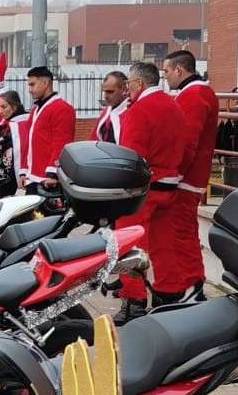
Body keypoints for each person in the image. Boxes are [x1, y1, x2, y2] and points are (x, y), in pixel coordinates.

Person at [116, 61, 188, 310]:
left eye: (128, 84)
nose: (128, 90)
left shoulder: (140, 109)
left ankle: (134, 299)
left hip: (145, 187)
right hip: (170, 183)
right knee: (164, 243)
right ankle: (170, 292)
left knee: (129, 245)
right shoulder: (174, 106)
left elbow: (131, 155)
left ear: (138, 83)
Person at [160, 52, 219, 297]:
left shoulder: (194, 96)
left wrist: (174, 175)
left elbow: (186, 141)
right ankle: (189, 285)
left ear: (179, 71)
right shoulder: (197, 93)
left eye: (166, 72)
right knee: (181, 232)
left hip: (186, 179)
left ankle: (192, 286)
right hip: (188, 178)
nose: (164, 77)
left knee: (182, 233)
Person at [23, 66, 75, 187]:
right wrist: (24, 170)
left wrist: (52, 173)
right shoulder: (35, 109)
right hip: (33, 177)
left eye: (32, 84)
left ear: (45, 83)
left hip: (48, 180)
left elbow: (61, 143)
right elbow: (29, 142)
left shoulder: (62, 108)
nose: (29, 89)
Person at [93, 69, 130, 145]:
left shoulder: (131, 111)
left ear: (123, 89)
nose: (105, 96)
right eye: (104, 92)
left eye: (110, 92)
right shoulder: (106, 112)